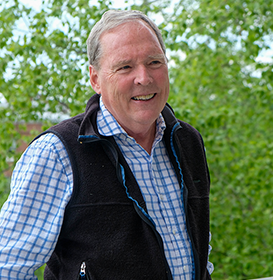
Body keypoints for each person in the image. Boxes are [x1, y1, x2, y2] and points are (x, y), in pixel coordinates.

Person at [0, 9, 213, 279]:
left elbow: (199, 247)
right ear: (95, 79)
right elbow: (7, 267)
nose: (144, 78)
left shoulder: (187, 142)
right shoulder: (57, 153)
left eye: (155, 62)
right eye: (125, 66)